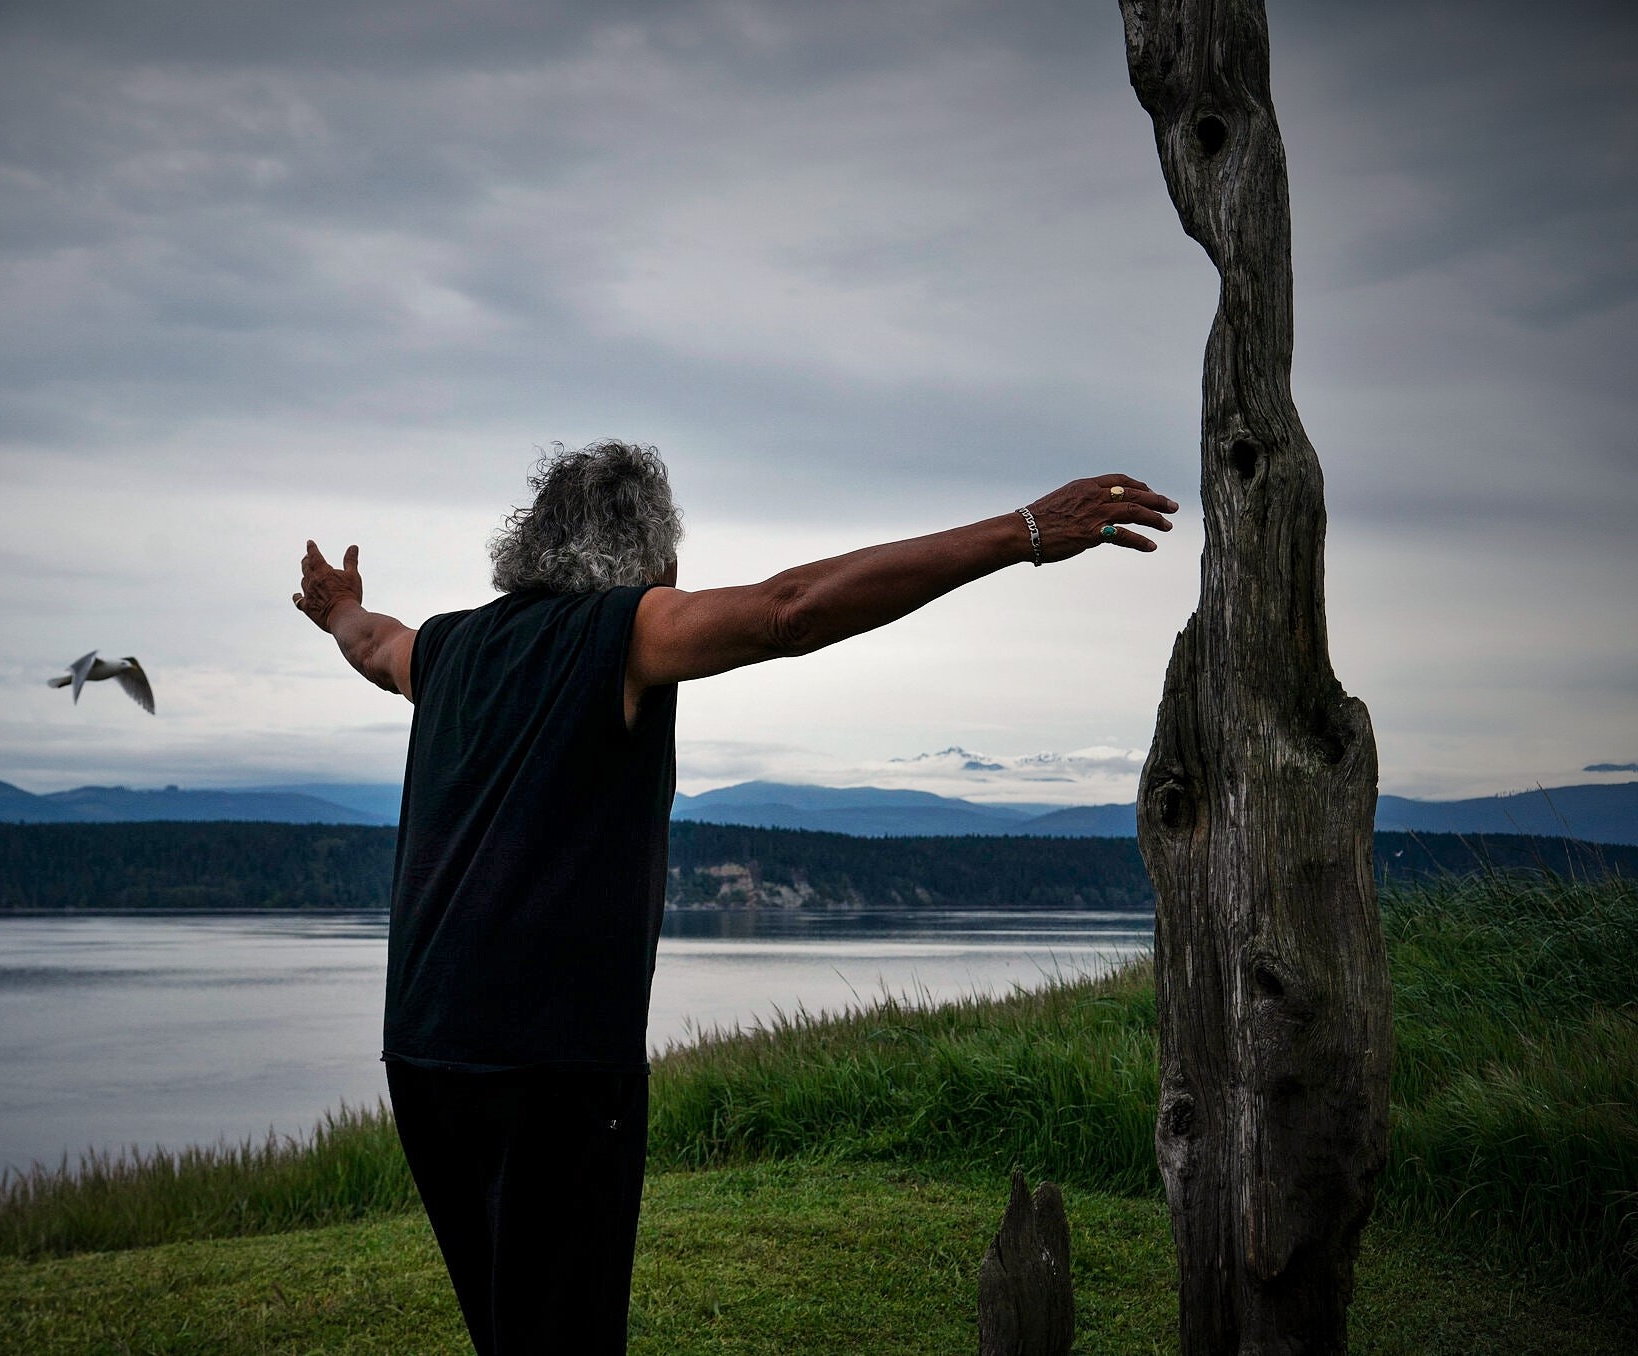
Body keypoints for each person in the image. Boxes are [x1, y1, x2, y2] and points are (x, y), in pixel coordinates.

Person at [293, 441, 1176, 1354]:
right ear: (647, 559)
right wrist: (1024, 530)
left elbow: (371, 646)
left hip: (427, 1055)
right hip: (549, 1067)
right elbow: (788, 611)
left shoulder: (448, 649)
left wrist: (338, 608)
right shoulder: (623, 631)